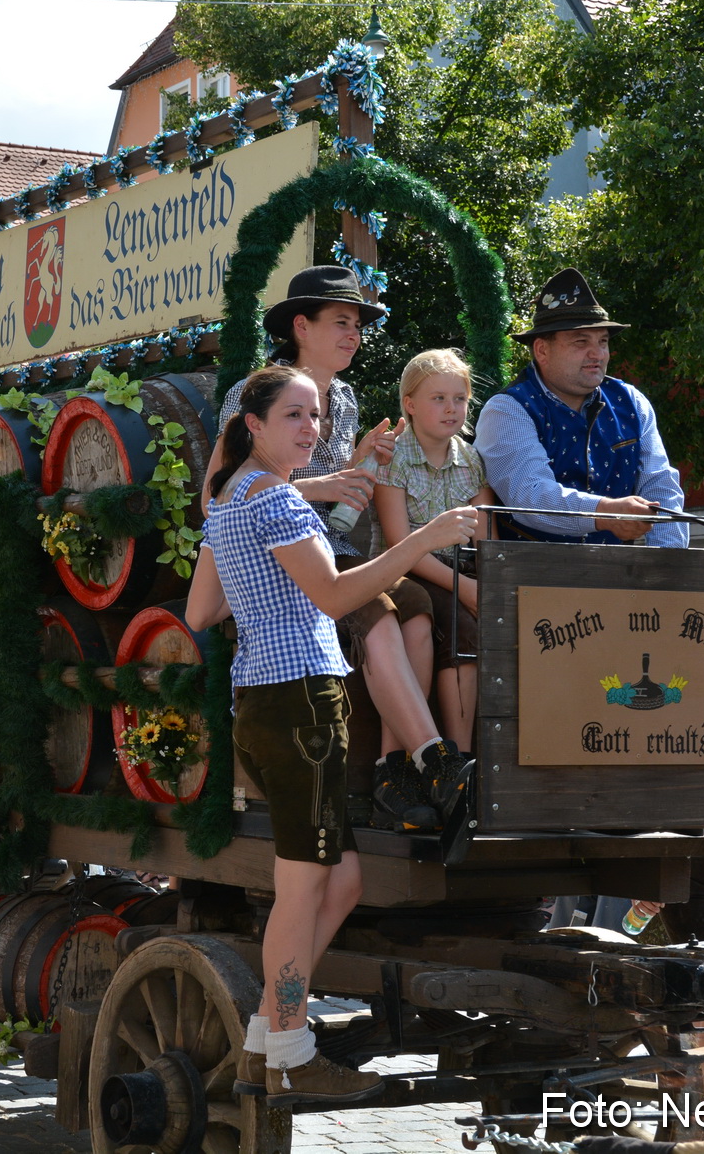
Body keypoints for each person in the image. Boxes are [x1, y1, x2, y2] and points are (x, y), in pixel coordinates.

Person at [186, 366, 486, 1105]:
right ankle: (289, 1046)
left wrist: (266, 590)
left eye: (316, 416)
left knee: (338, 878)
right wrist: (425, 537)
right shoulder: (277, 500)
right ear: (252, 423)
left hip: (262, 700)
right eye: (294, 416)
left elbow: (200, 612)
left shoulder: (228, 498)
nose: (310, 430)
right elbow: (339, 593)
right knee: (304, 890)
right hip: (301, 707)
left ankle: (265, 1030)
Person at [204, 266, 470, 832]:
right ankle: (435, 760)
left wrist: (361, 464)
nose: (355, 335)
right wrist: (319, 486)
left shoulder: (345, 400)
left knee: (418, 611)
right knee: (376, 614)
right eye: (343, 322)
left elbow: (334, 495)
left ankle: (391, 771)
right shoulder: (254, 394)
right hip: (283, 557)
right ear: (302, 325)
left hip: (330, 543)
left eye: (358, 325)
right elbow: (217, 496)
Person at [474, 268, 688, 547]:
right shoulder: (507, 411)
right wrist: (606, 513)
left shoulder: (632, 403)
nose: (598, 354)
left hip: (622, 577)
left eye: (603, 341)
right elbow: (531, 496)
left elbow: (660, 486)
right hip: (531, 580)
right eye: (581, 341)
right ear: (541, 350)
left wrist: (667, 568)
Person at [373, 349, 496, 747]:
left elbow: (486, 535)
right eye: (438, 398)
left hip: (463, 571)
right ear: (409, 404)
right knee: (456, 624)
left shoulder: (471, 458)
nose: (451, 409)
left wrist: (487, 582)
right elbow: (399, 543)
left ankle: (476, 755)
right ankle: (441, 754)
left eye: (459, 399)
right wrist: (466, 588)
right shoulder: (394, 457)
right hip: (409, 570)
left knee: (493, 624)